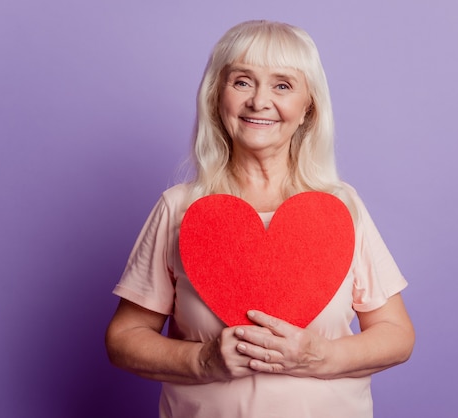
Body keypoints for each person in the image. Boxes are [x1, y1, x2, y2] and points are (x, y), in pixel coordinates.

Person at [106, 20, 414, 418]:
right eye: (242, 82)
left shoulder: (341, 207)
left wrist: (318, 355)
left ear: (308, 109)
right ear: (218, 97)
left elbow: (397, 335)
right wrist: (204, 362)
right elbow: (124, 338)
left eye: (282, 85)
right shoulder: (179, 208)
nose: (259, 101)